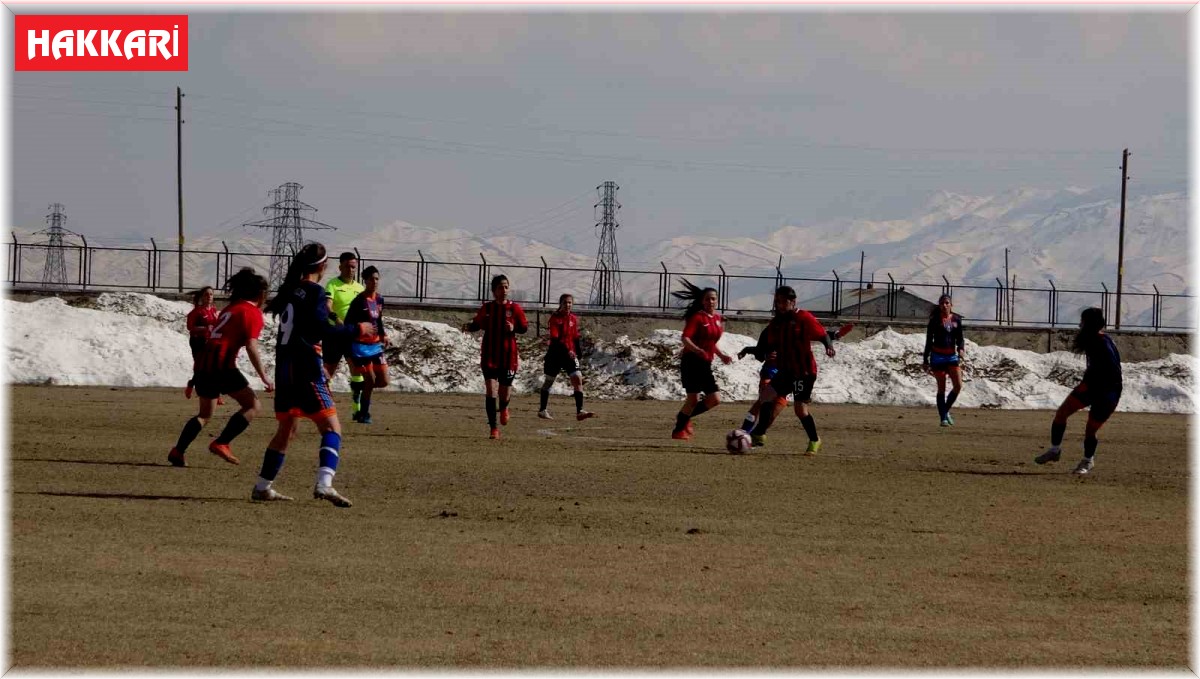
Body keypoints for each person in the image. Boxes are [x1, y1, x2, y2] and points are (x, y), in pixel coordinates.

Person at [251, 243, 373, 506]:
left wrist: (330, 320)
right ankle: (324, 484)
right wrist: (356, 329)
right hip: (305, 368)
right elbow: (323, 329)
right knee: (332, 427)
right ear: (323, 266)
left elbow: (313, 323)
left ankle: (262, 486)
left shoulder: (290, 291)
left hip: (285, 370)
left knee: (287, 428)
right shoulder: (315, 291)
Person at [168, 270, 272, 468]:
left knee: (205, 414)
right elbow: (251, 346)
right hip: (222, 363)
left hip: (204, 363)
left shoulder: (230, 309)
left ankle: (178, 451)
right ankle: (222, 442)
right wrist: (264, 376)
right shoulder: (251, 312)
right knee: (252, 406)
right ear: (261, 294)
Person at [736, 286, 835, 455]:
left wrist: (829, 346)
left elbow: (822, 334)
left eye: (782, 302)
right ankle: (760, 434)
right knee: (766, 396)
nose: (779, 306)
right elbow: (767, 346)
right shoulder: (776, 323)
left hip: (803, 371)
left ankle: (814, 440)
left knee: (800, 409)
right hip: (786, 370)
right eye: (777, 302)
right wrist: (759, 352)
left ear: (792, 302)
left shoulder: (804, 317)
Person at [738, 319, 853, 446]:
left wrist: (836, 335)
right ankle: (743, 433)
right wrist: (763, 355)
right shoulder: (768, 331)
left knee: (773, 413)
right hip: (771, 371)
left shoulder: (794, 327)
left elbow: (817, 334)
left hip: (791, 372)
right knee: (762, 401)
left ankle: (755, 436)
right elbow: (759, 352)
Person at [1034, 307, 1122, 475]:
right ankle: (1054, 450)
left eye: (1083, 321)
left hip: (1108, 392)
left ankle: (1087, 461)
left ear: (1089, 323)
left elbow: (1112, 371)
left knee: (1090, 429)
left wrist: (1095, 385)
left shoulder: (1102, 342)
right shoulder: (1093, 339)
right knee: (1061, 413)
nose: (1080, 324)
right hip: (1090, 386)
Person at [462, 274, 529, 439]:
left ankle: (504, 407)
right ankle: (493, 428)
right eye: (500, 287)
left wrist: (514, 328)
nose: (504, 290)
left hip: (508, 356)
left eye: (506, 286)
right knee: (491, 390)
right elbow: (477, 324)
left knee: (504, 392)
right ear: (494, 291)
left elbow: (524, 328)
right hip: (490, 355)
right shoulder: (487, 308)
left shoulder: (515, 309)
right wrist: (468, 327)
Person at [670, 279, 733, 441]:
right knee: (693, 399)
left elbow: (712, 343)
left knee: (714, 399)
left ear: (717, 301)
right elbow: (685, 338)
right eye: (707, 299)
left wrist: (722, 356)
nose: (711, 301)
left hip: (705, 363)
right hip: (691, 362)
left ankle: (683, 417)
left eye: (713, 298)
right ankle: (679, 430)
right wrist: (697, 350)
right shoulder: (697, 318)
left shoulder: (718, 319)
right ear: (702, 301)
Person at [537, 293, 595, 422]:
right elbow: (556, 339)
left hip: (569, 355)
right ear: (560, 304)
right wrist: (567, 351)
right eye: (565, 302)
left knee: (577, 378)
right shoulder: (555, 318)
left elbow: (575, 337)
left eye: (570, 302)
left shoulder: (573, 319)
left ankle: (580, 411)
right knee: (549, 381)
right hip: (555, 354)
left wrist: (578, 351)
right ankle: (542, 410)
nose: (568, 305)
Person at [344, 266, 389, 425]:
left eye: (377, 279)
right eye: (371, 279)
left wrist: (383, 335)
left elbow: (379, 320)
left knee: (383, 381)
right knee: (370, 380)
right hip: (361, 347)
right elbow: (348, 324)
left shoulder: (379, 299)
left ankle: (359, 388)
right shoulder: (358, 301)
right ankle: (364, 414)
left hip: (376, 346)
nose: (375, 282)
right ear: (365, 281)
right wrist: (359, 329)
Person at [324, 251, 366, 417]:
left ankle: (357, 407)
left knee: (357, 370)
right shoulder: (332, 284)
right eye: (347, 266)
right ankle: (326, 406)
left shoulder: (360, 288)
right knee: (328, 371)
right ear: (340, 266)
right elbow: (327, 305)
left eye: (353, 267)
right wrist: (335, 318)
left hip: (352, 335)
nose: (350, 270)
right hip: (334, 333)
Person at [922, 294, 965, 427]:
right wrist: (925, 360)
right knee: (942, 388)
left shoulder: (956, 320)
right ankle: (943, 419)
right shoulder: (935, 320)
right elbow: (929, 341)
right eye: (942, 303)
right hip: (938, 357)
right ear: (939, 306)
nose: (944, 305)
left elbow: (960, 338)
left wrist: (961, 349)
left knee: (958, 385)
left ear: (951, 305)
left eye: (947, 303)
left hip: (952, 356)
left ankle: (944, 412)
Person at [183, 286, 217, 400]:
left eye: (211, 294)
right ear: (202, 297)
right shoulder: (197, 312)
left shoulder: (213, 310)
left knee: (211, 367)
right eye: (206, 294)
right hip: (198, 341)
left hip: (210, 341)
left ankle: (210, 391)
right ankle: (200, 390)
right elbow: (190, 327)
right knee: (201, 367)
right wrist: (205, 328)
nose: (209, 296)